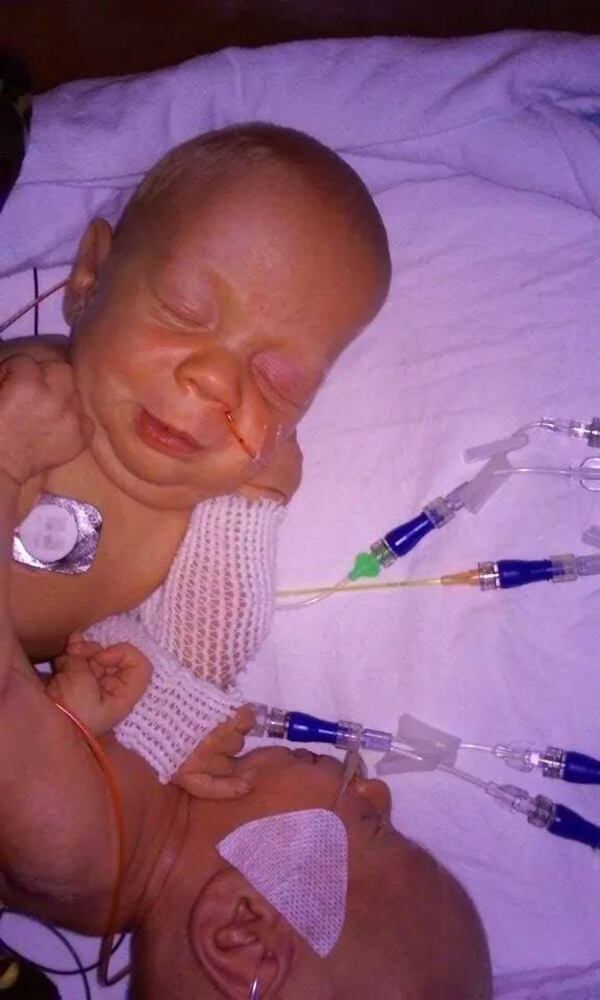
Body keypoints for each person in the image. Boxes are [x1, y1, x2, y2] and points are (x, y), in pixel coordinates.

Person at [0, 359, 492, 998]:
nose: (377, 791)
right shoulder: (157, 800)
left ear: (241, 931)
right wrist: (248, 501)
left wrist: (9, 455)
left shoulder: (71, 844)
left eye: (376, 827)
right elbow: (191, 635)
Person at [5, 121, 391, 666]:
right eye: (183, 312)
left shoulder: (196, 519)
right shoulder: (23, 394)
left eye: (278, 380)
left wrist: (248, 517)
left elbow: (201, 660)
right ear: (91, 278)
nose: (215, 380)